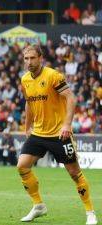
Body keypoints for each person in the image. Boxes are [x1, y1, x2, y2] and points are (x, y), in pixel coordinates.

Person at [18, 45, 97, 225]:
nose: (29, 62)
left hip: (58, 133)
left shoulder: (54, 76)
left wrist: (67, 124)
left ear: (40, 58)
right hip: (38, 132)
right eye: (26, 59)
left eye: (32, 58)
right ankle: (38, 205)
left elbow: (70, 98)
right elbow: (29, 103)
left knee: (74, 173)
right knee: (22, 166)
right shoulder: (24, 80)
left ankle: (90, 212)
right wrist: (27, 126)